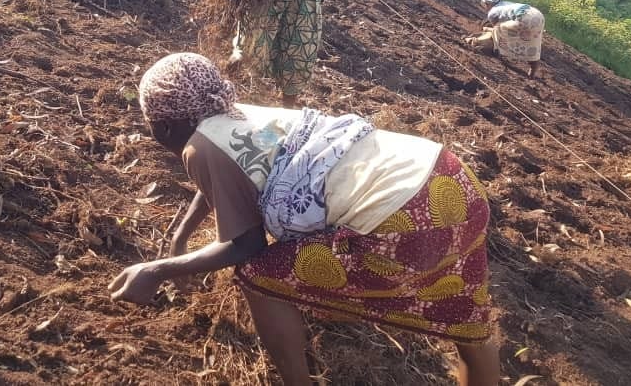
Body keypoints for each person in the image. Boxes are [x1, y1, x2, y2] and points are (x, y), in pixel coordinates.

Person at [110, 53, 500, 386]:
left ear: (163, 125)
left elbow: (246, 246)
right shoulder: (237, 114)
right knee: (464, 315)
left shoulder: (198, 147)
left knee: (258, 276)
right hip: (449, 179)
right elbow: (228, 180)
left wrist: (157, 271)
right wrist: (181, 237)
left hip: (405, 217)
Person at [465, 0, 545, 78]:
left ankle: (497, 49)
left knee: (499, 30)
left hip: (524, 18)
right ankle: (533, 67)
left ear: (487, 4)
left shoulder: (492, 12)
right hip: (538, 16)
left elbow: (496, 27)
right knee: (533, 41)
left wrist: (489, 30)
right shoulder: (505, 4)